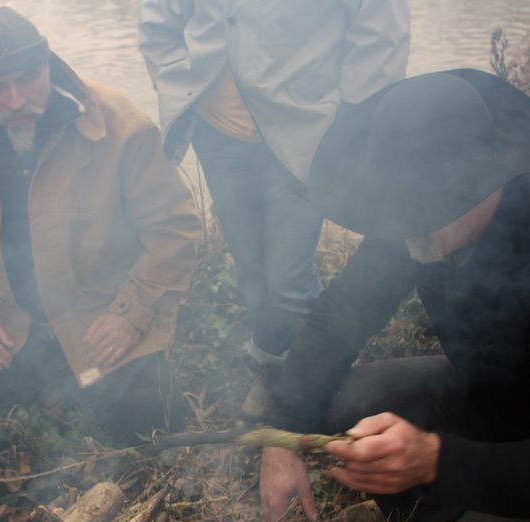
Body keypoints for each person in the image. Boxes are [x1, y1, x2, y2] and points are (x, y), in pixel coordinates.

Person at [260, 69, 530, 522]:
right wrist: (284, 434)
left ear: (487, 180)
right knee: (344, 402)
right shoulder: (415, 224)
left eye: (421, 208)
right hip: (482, 396)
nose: (403, 226)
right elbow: (340, 316)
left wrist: (434, 461)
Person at [0, 7, 201, 445]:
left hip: (99, 319)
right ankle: (44, 381)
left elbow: (176, 230)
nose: (15, 100)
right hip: (11, 320)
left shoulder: (121, 124)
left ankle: (98, 382)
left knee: (150, 431)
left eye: (28, 78)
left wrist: (132, 312)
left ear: (47, 66)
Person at [138, 0, 411, 416]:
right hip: (217, 134)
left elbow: (380, 33)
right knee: (250, 265)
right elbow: (159, 20)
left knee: (287, 278)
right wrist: (179, 82)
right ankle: (271, 359)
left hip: (305, 135)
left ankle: (325, 381)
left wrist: (352, 127)